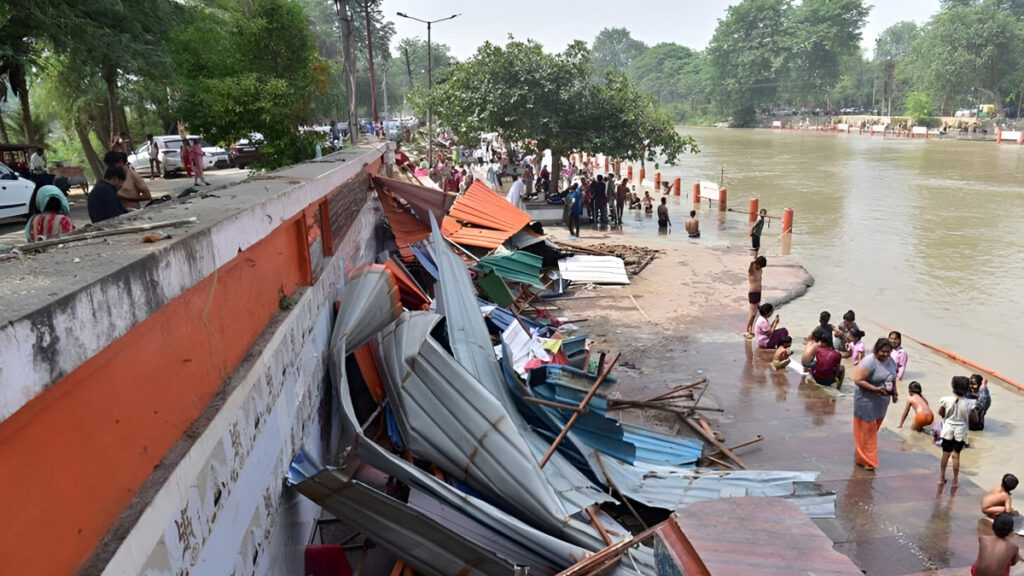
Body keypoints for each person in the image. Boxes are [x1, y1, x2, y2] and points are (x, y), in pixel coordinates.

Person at [852, 338, 899, 471]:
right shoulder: (869, 362)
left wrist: (895, 393)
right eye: (882, 352)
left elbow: (893, 378)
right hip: (866, 402)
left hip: (881, 403)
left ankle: (860, 454)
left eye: (888, 352)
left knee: (871, 431)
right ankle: (869, 461)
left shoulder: (891, 362)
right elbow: (858, 380)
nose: (885, 355)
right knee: (868, 432)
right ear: (876, 350)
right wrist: (875, 389)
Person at [938, 376, 977, 487]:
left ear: (953, 387)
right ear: (967, 389)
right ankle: (955, 481)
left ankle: (941, 477)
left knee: (945, 454)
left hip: (947, 430)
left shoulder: (946, 400)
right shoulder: (970, 403)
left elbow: (941, 412)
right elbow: (975, 419)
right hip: (960, 433)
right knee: (956, 455)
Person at [744, 256, 767, 338]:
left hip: (758, 292)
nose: (760, 267)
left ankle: (751, 329)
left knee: (755, 313)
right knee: (752, 312)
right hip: (753, 293)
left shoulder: (760, 269)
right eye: (759, 265)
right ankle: (747, 330)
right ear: (757, 263)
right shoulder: (752, 269)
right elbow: (752, 263)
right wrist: (755, 261)